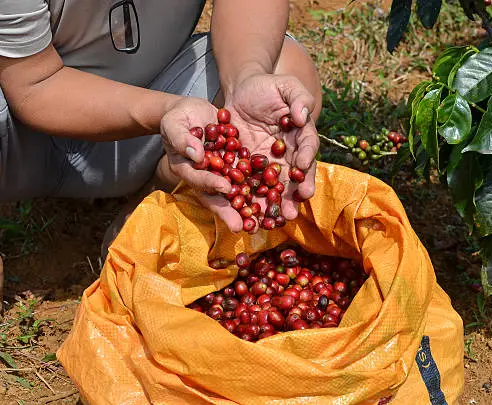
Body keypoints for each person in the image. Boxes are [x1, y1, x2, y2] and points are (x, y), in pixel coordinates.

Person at [0, 0, 323, 308]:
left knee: (282, 72)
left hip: (135, 125)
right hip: (15, 135)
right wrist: (165, 110)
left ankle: (152, 210)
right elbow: (34, 85)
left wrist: (244, 79)